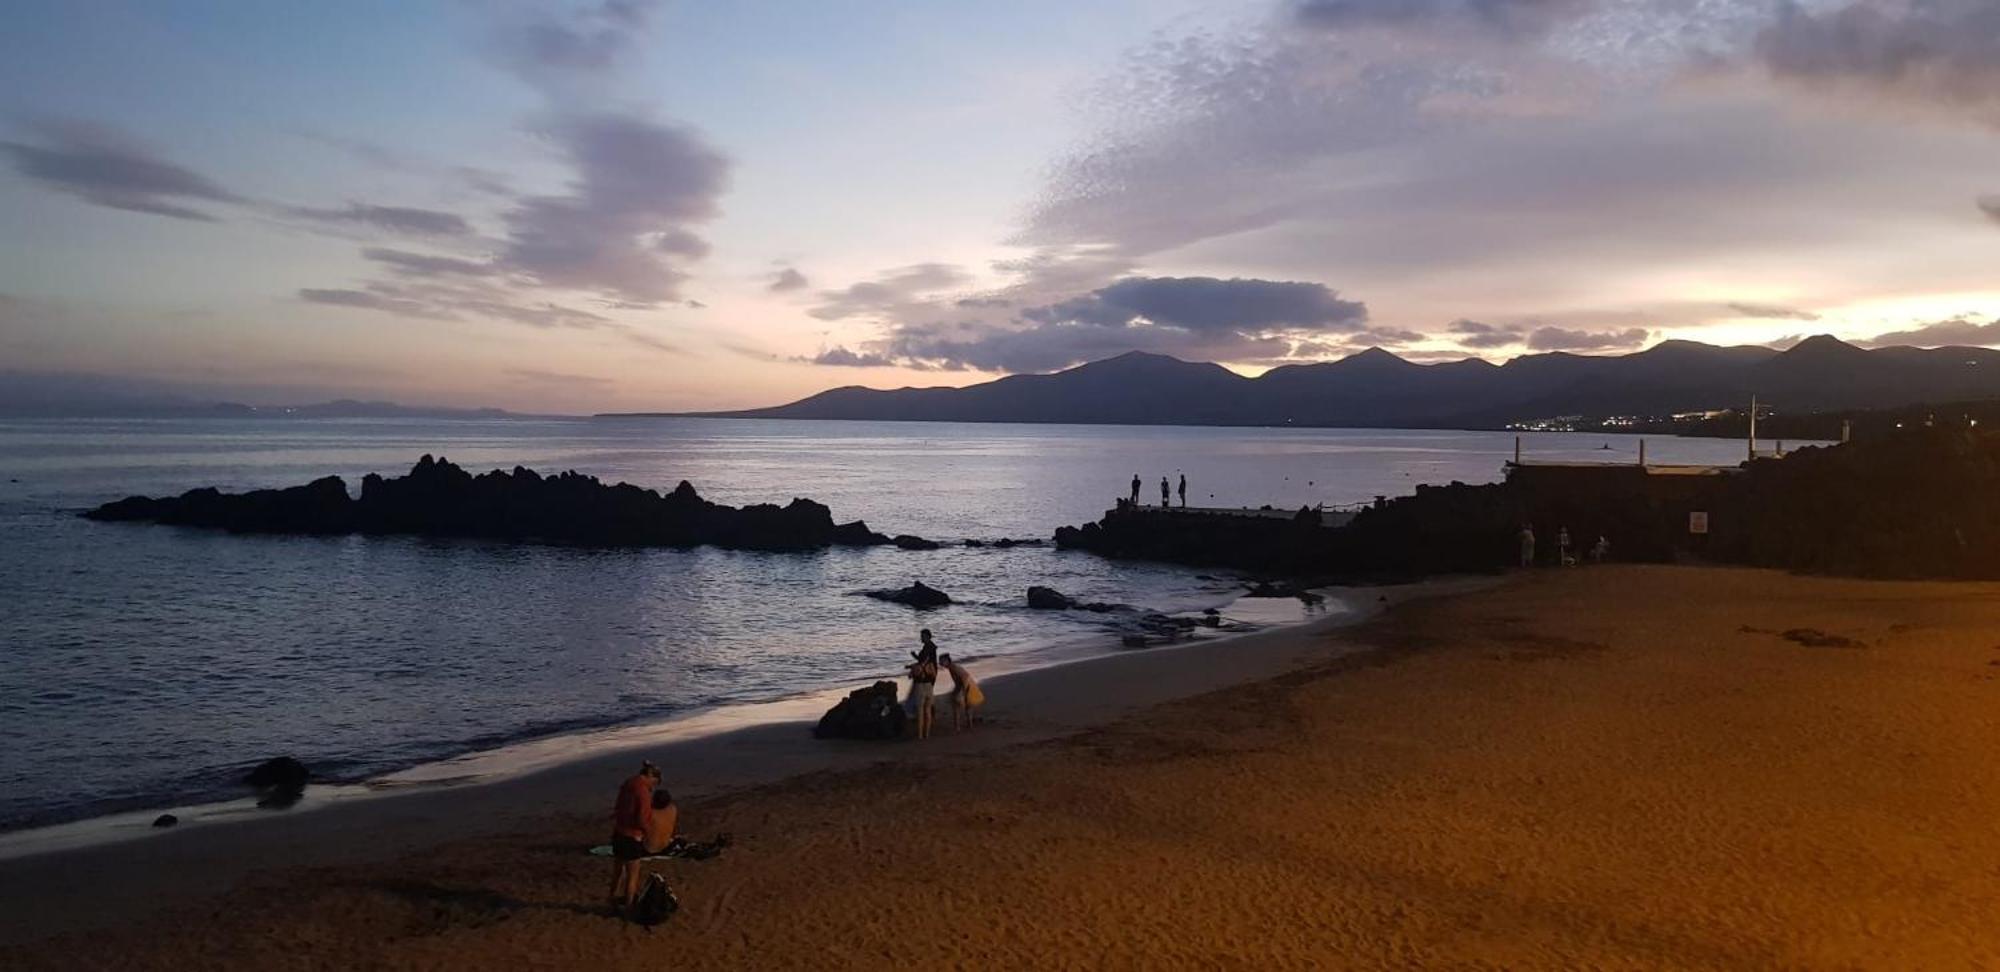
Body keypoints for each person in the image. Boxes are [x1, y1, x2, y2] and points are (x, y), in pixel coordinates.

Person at [607, 761, 662, 913]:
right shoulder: (642, 792)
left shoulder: (628, 784)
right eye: (654, 783)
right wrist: (649, 833)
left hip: (618, 832)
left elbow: (617, 807)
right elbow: (642, 819)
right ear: (651, 777)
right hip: (632, 835)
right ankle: (629, 906)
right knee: (633, 874)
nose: (653, 787)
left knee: (617, 871)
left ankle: (611, 900)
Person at [908, 629, 940, 740]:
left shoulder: (927, 649)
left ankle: (920, 735)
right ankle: (927, 733)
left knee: (920, 710)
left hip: (921, 685)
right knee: (927, 709)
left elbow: (919, 666)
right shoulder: (932, 660)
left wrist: (912, 667)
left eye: (922, 636)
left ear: (926, 636)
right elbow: (925, 663)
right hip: (929, 684)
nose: (920, 638)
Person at [941, 653, 983, 732]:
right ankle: (969, 724)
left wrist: (962, 691)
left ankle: (958, 727)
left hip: (965, 686)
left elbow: (965, 676)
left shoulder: (954, 667)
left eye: (942, 661)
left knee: (956, 707)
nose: (940, 663)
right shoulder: (952, 667)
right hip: (968, 686)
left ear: (947, 661)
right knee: (967, 706)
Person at [643, 784, 681, 855]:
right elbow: (674, 829)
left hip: (649, 848)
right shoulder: (673, 809)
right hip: (666, 845)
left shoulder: (650, 813)